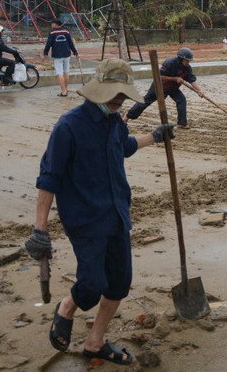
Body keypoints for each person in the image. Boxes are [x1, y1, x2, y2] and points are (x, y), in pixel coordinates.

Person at [24, 58, 175, 365]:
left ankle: (95, 342)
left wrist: (155, 137)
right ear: (98, 91)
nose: (119, 102)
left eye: (122, 97)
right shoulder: (68, 127)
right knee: (92, 286)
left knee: (119, 283)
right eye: (115, 97)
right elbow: (48, 178)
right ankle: (67, 307)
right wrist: (40, 230)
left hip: (117, 213)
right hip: (84, 218)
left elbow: (124, 147)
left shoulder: (115, 121)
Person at [124, 47, 204, 129]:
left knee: (181, 100)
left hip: (173, 88)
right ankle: (126, 118)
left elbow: (191, 79)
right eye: (186, 60)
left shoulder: (187, 68)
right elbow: (159, 76)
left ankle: (182, 123)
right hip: (160, 86)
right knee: (145, 101)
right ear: (181, 59)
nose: (188, 62)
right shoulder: (169, 63)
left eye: (189, 60)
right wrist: (175, 78)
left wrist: (199, 91)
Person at [43, 18, 79, 97]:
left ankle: (63, 92)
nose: (51, 25)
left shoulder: (52, 33)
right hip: (67, 54)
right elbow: (71, 44)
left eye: (52, 23)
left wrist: (45, 53)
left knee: (60, 73)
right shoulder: (66, 32)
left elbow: (48, 44)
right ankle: (65, 89)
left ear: (55, 24)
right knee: (66, 72)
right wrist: (75, 52)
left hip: (57, 55)